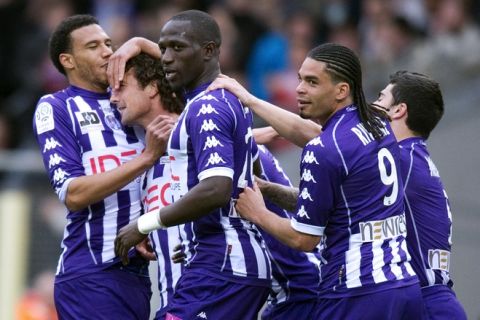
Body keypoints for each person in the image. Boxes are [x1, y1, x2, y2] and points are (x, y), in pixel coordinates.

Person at [223, 43, 423, 319]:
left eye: (312, 82)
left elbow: (304, 238)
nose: (299, 89)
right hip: (404, 286)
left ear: (341, 90)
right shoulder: (376, 124)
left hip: (356, 291)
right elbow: (339, 200)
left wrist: (257, 213)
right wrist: (250, 100)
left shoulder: (324, 149)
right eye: (300, 79)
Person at [113, 10, 271, 319]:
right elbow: (250, 178)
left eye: (178, 47)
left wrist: (143, 225)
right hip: (223, 259)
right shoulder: (220, 101)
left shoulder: (207, 107)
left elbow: (217, 189)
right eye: (163, 48)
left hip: (223, 265)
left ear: (209, 51)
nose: (167, 58)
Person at [32, 14, 172, 319]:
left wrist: (142, 44)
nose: (108, 51)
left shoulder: (131, 99)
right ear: (68, 60)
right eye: (93, 46)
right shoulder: (56, 107)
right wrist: (146, 158)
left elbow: (196, 76)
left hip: (137, 271)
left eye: (109, 43)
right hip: (91, 272)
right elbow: (74, 193)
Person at [371, 71, 467, 320]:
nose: (373, 105)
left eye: (380, 98)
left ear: (398, 110)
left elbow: (327, 143)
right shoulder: (412, 157)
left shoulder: (400, 158)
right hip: (431, 302)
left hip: (428, 305)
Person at [109, 52, 187, 319]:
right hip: (172, 298)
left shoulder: (199, 128)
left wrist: (141, 43)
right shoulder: (146, 156)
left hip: (204, 293)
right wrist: (150, 227)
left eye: (121, 87)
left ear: (153, 86)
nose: (113, 98)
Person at [254, 144, 322, 319]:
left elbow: (303, 240)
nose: (171, 120)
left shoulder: (243, 154)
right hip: (285, 294)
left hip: (302, 289)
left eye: (176, 114)